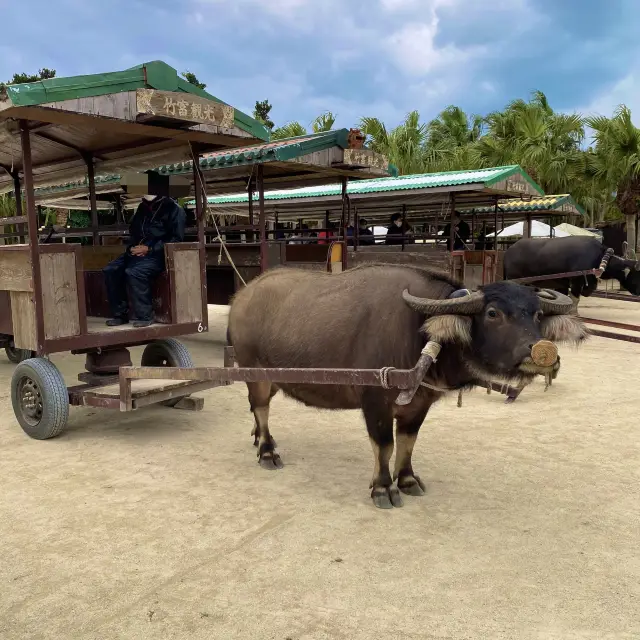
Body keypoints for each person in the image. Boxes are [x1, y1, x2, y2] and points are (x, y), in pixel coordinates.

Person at [103, 194, 186, 328]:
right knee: (111, 269)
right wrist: (132, 248)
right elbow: (134, 233)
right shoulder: (142, 208)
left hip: (159, 255)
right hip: (137, 253)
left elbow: (177, 238)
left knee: (134, 272)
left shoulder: (174, 209)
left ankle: (145, 316)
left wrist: (149, 249)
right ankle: (120, 315)